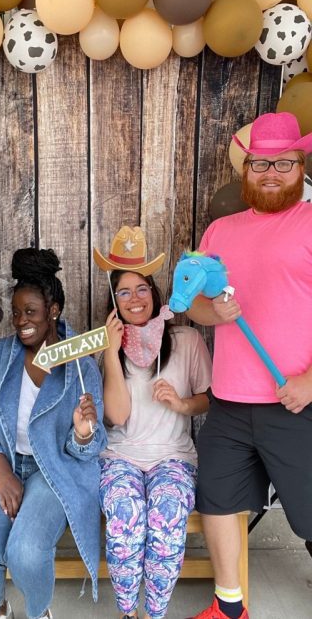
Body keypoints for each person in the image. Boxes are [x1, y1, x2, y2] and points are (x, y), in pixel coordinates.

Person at [181, 112, 312, 619]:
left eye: (284, 162)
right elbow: (193, 303)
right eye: (261, 162)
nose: (271, 172)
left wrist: (309, 382)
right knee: (216, 499)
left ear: (300, 165)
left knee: (309, 516)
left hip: (294, 401)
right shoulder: (220, 231)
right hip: (230, 400)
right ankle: (229, 606)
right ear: (247, 167)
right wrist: (214, 311)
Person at [0, 248, 104, 619]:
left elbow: (93, 446)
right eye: (17, 313)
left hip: (52, 469)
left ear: (53, 311)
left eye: (31, 312)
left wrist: (83, 433)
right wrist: (2, 472)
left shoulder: (79, 366)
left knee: (28, 553)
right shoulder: (1, 356)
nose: (21, 322)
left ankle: (37, 612)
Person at [94, 226, 210, 619]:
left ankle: (155, 613)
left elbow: (208, 400)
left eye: (141, 289)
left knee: (165, 510)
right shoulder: (107, 348)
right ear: (113, 302)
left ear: (155, 292)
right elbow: (118, 417)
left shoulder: (187, 341)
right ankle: (129, 613)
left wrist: (180, 404)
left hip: (173, 458)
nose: (135, 299)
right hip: (120, 456)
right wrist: (111, 354)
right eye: (123, 292)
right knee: (125, 511)